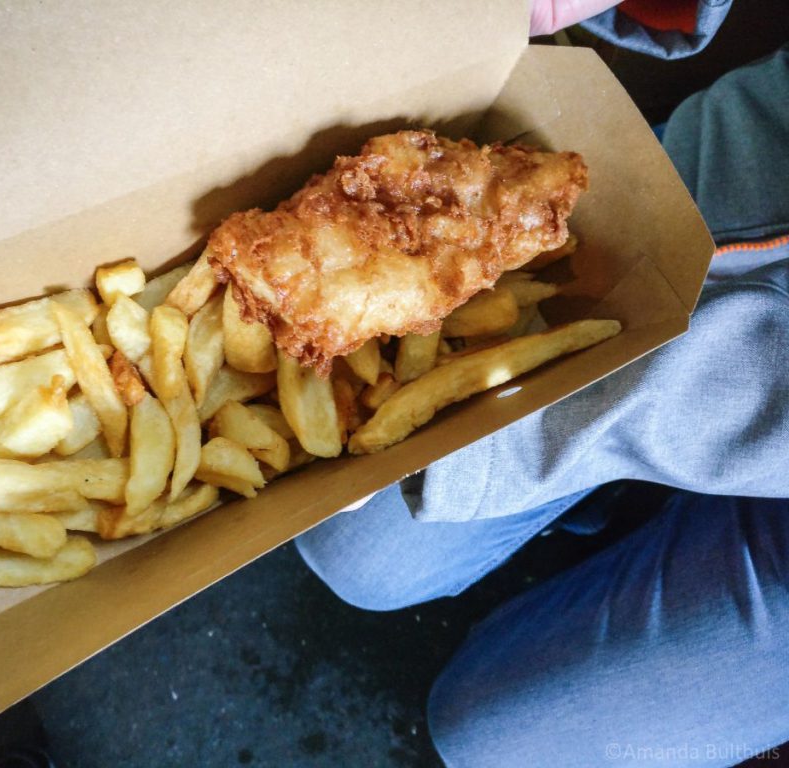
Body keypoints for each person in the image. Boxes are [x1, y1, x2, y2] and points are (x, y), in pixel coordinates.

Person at [296, 2, 789, 765]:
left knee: (491, 739)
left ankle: (609, 506)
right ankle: (593, 508)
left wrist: (485, 446)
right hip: (761, 160)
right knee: (356, 555)